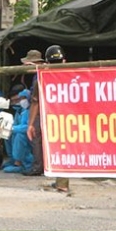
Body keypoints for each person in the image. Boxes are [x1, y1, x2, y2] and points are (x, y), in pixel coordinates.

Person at [42, 45, 71, 192]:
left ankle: (61, 183)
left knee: (59, 148)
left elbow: (35, 101)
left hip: (54, 118)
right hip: (69, 118)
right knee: (64, 148)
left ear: (47, 63)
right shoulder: (73, 76)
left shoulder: (43, 77)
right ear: (64, 61)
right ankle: (62, 182)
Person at [23, 49, 46, 176]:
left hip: (41, 110)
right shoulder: (38, 74)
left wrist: (30, 122)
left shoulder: (39, 76)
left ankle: (38, 167)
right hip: (45, 109)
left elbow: (35, 100)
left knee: (35, 136)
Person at [3, 86, 33, 173]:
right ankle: (13, 159)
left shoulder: (30, 110)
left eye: (22, 98)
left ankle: (21, 163)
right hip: (20, 133)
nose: (20, 101)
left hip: (28, 136)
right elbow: (15, 124)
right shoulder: (19, 111)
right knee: (7, 134)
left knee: (20, 136)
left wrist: (13, 129)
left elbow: (27, 127)